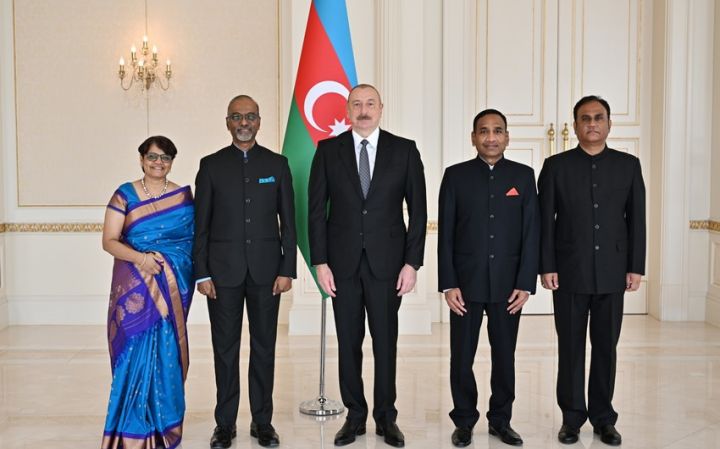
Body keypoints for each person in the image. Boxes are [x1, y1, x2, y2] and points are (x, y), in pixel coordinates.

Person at [308, 84, 427, 448]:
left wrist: (412, 263)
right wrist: (320, 262)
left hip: (388, 266)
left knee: (385, 342)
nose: (363, 110)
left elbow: (418, 212)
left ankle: (386, 418)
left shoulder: (404, 150)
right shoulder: (328, 151)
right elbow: (315, 211)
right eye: (357, 104)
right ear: (347, 110)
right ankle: (355, 416)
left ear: (381, 108)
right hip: (340, 265)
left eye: (370, 104)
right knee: (349, 343)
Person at [538, 95, 646, 446]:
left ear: (609, 124)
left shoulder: (629, 166)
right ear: (576, 125)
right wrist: (547, 265)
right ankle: (571, 419)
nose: (592, 124)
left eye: (599, 117)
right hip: (569, 271)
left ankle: (603, 419)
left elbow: (637, 220)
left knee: (605, 348)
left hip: (613, 271)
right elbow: (545, 221)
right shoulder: (555, 166)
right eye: (585, 118)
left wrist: (635, 267)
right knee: (570, 348)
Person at [194, 95, 296, 449]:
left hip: (268, 273)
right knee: (225, 350)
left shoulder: (277, 164)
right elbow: (201, 226)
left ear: (259, 121)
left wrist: (287, 269)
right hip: (222, 275)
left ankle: (262, 422)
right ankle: (224, 425)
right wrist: (202, 273)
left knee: (265, 348)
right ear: (227, 122)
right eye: (237, 117)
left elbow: (289, 223)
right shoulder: (211, 166)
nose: (244, 123)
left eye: (250, 116)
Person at [438, 109, 539, 447]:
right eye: (484, 131)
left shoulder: (523, 176)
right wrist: (449, 283)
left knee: (505, 355)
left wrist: (525, 283)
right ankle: (464, 420)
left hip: (509, 286)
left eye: (497, 131)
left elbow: (531, 232)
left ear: (507, 137)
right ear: (473, 137)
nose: (491, 137)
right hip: (465, 286)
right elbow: (446, 235)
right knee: (461, 356)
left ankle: (501, 420)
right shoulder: (455, 176)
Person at [100, 135, 194, 449]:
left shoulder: (182, 199)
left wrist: (165, 262)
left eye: (165, 158)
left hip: (169, 287)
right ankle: (129, 427)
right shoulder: (125, 194)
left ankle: (164, 423)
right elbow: (109, 241)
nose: (158, 163)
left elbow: (189, 245)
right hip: (134, 288)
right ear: (141, 159)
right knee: (132, 354)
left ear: (172, 162)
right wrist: (142, 260)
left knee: (166, 353)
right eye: (152, 157)